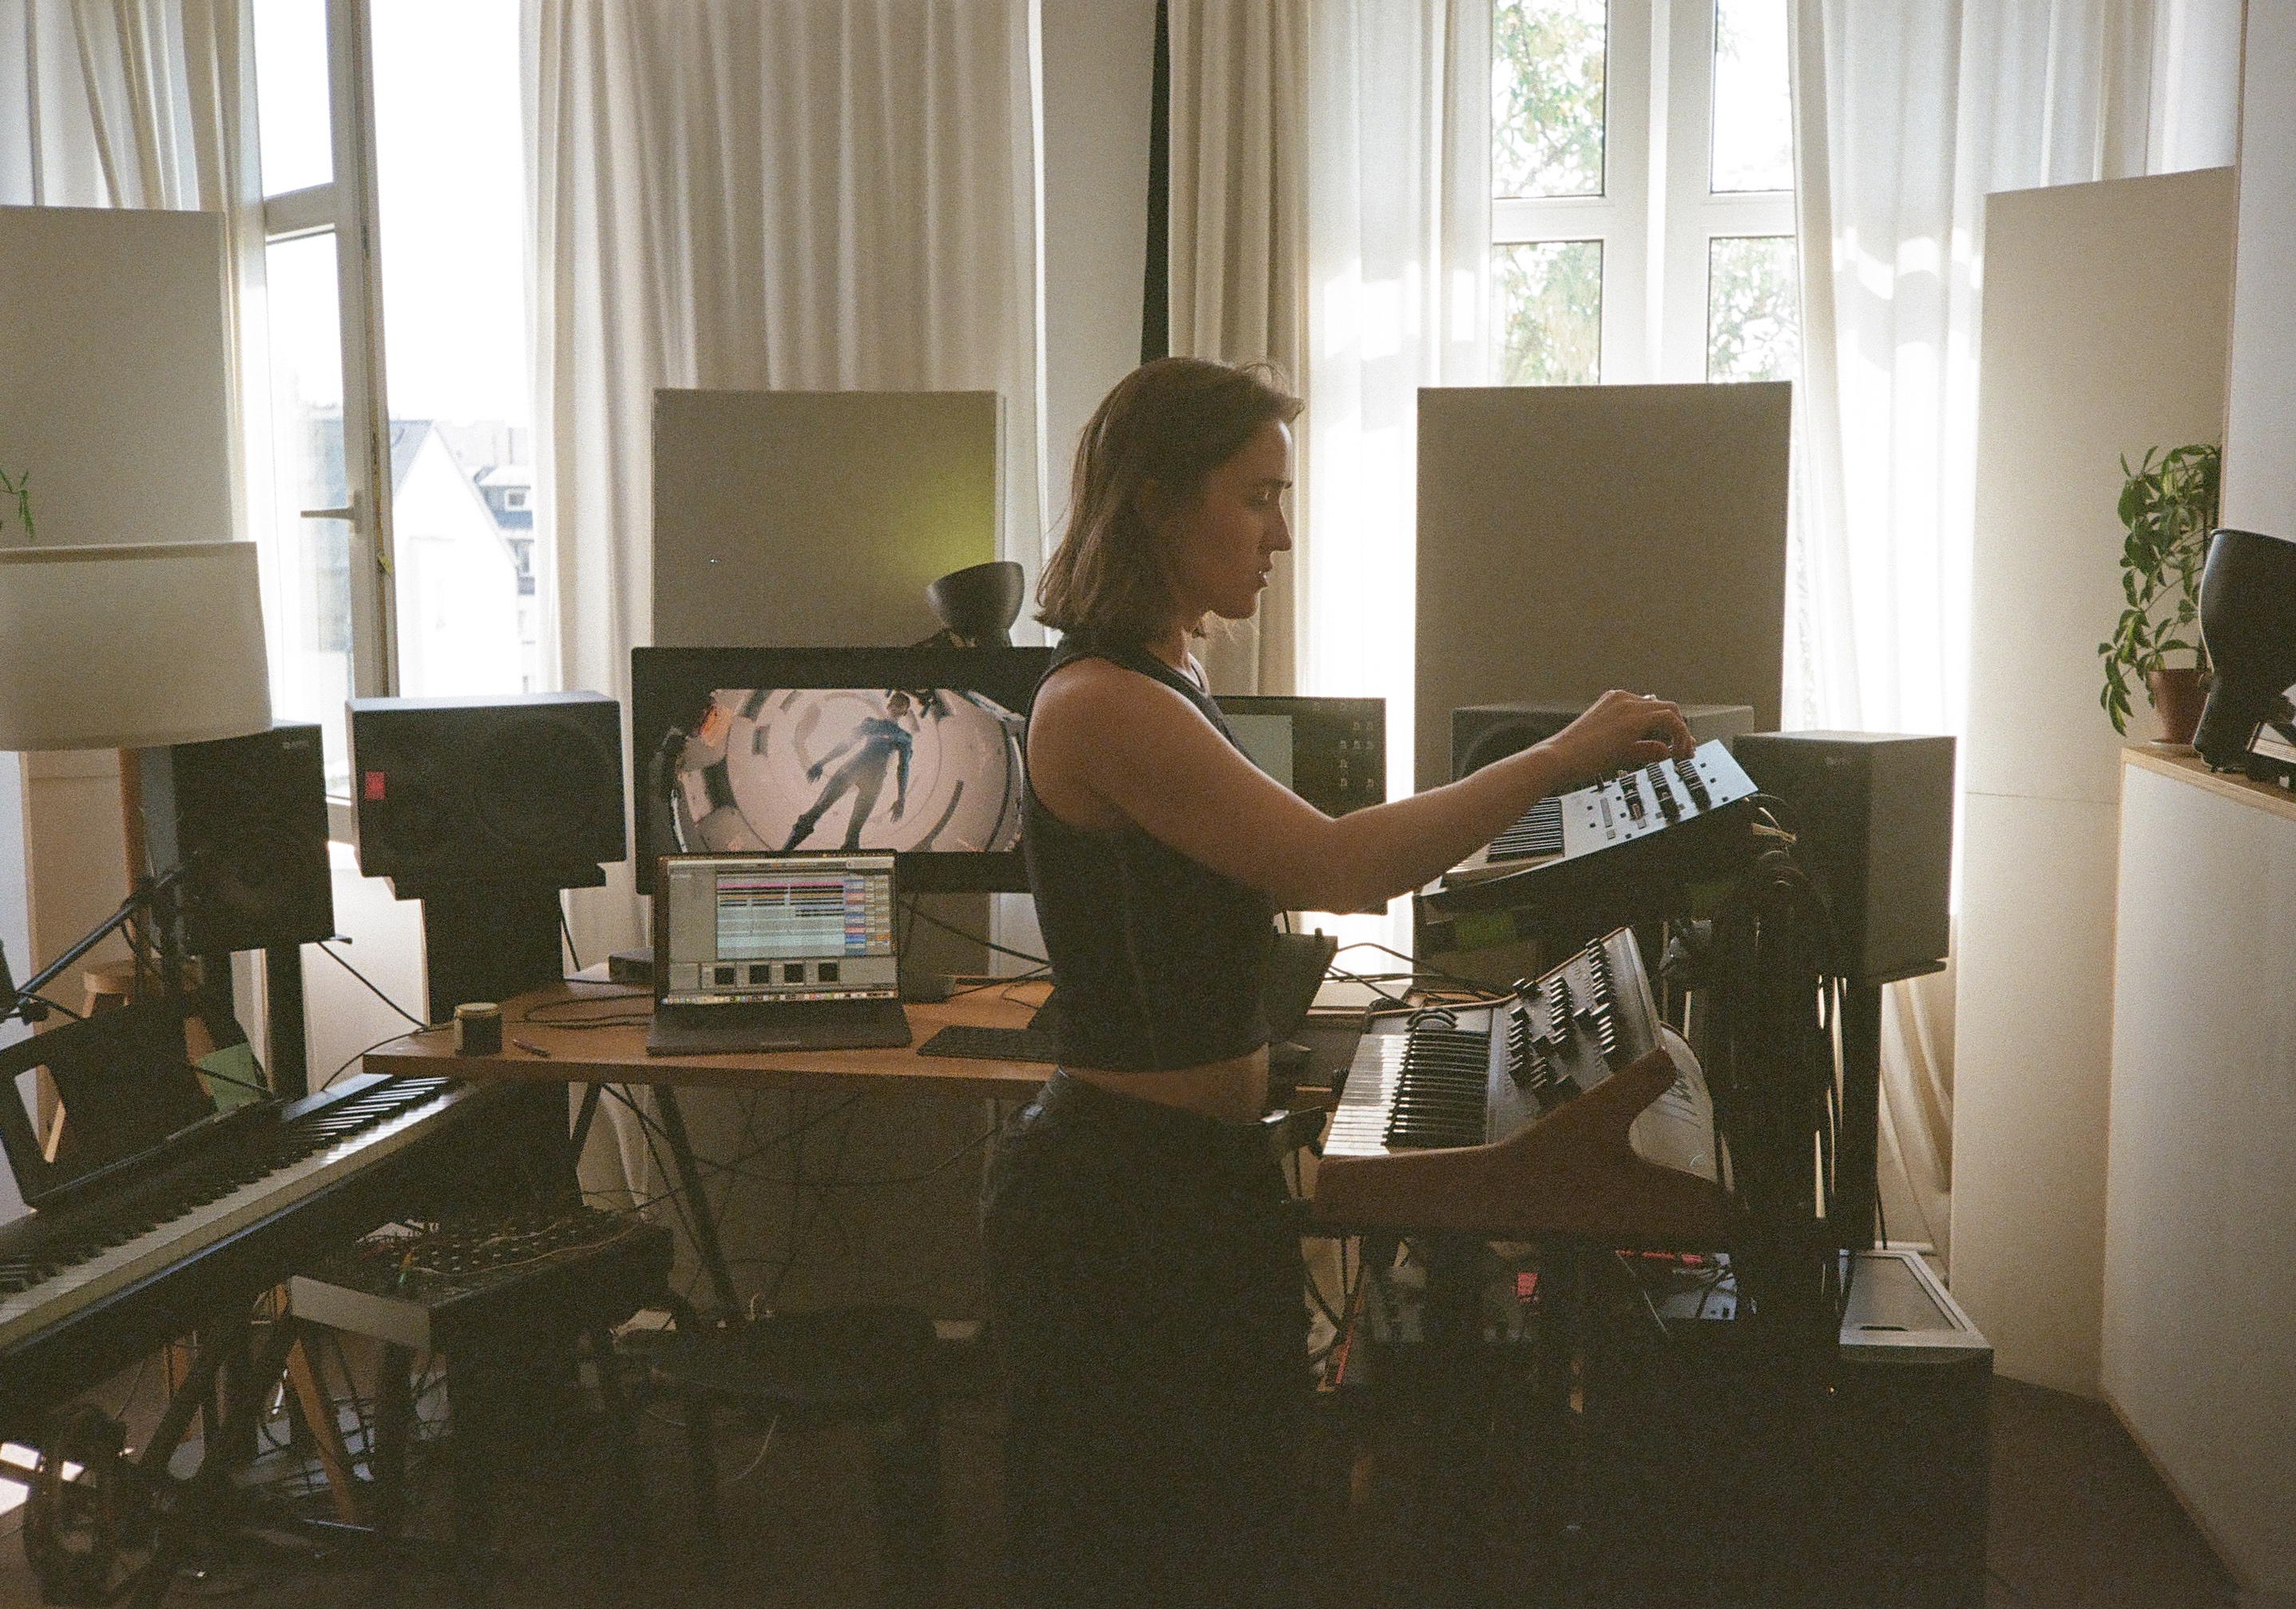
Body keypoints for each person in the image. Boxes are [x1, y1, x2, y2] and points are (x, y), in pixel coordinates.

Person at [981, 357, 1692, 1609]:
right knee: (1141, 1549)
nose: (1280, 533)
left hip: (1190, 1179)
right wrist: (1557, 754)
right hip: (1119, 1202)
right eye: (1255, 496)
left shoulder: (1167, 675)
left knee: (1231, 1528)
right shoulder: (1097, 702)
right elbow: (1338, 863)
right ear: (1157, 503)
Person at [783, 690, 918, 850]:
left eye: (901, 705)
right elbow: (847, 744)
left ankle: (846, 863)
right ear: (889, 705)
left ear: (905, 711)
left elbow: (903, 767)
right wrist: (822, 763)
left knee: (854, 833)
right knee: (817, 810)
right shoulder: (872, 723)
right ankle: (784, 854)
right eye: (895, 702)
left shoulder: (904, 737)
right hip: (853, 768)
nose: (897, 706)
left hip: (874, 778)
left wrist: (901, 798)